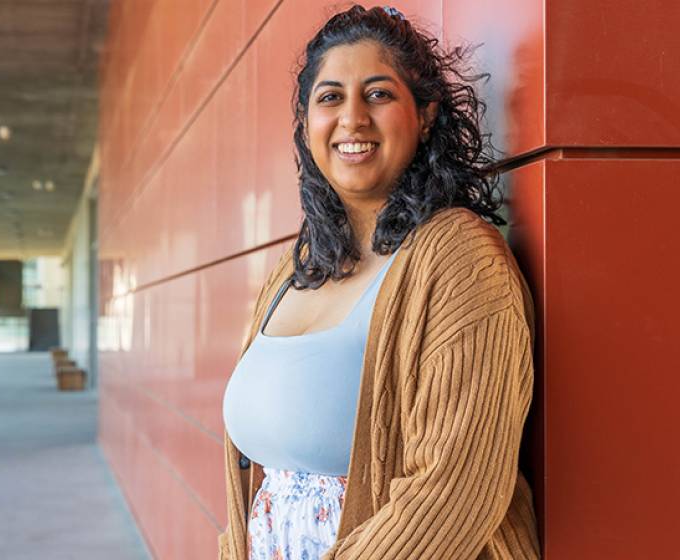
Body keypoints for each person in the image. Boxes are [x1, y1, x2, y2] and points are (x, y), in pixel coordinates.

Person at [219, 4, 541, 560]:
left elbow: (456, 489)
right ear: (305, 124)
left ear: (426, 115)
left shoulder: (459, 259)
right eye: (330, 98)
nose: (352, 119)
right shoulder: (295, 269)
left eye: (378, 94)